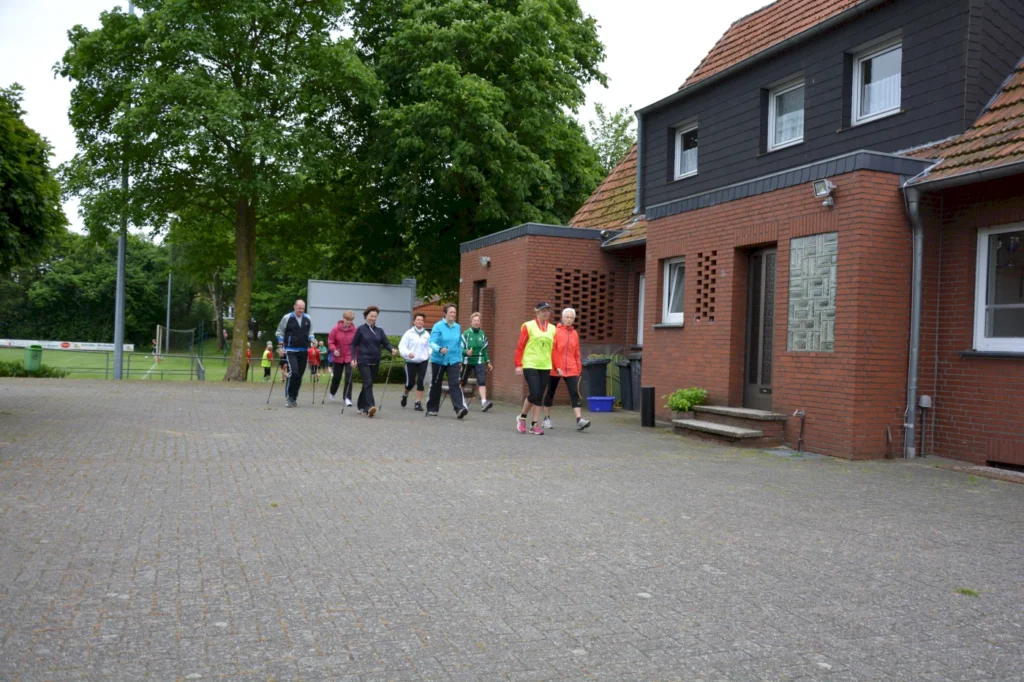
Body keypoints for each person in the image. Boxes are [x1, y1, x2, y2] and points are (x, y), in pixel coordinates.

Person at [542, 308, 591, 431]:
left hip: (571, 368)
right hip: (555, 368)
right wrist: (554, 365)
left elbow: (577, 352)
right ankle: (546, 418)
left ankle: (579, 420)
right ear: (562, 318)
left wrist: (578, 367)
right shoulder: (555, 331)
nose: (569, 320)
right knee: (550, 392)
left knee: (574, 393)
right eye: (567, 317)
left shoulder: (575, 333)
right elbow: (552, 350)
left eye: (571, 318)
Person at [514, 302, 556, 435]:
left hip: (545, 365)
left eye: (548, 311)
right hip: (530, 363)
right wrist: (518, 365)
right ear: (537, 312)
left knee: (540, 395)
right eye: (543, 311)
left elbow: (554, 350)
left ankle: (534, 425)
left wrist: (557, 366)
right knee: (535, 392)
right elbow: (520, 346)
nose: (546, 313)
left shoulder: (553, 329)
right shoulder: (528, 326)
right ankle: (522, 417)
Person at [350, 305, 397, 417]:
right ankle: (370, 406)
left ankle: (361, 406)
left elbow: (386, 343)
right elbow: (353, 344)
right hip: (363, 360)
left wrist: (392, 349)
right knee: (368, 383)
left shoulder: (379, 330)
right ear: (366, 316)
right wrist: (353, 358)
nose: (373, 318)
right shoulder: (361, 329)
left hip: (375, 361)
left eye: (375, 316)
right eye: (371, 316)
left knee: (368, 384)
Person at [425, 304, 469, 419]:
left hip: (453, 360)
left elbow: (459, 345)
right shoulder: (438, 326)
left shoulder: (457, 327)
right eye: (451, 312)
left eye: (454, 312)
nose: (453, 314)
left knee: (454, 383)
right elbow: (432, 342)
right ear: (445, 313)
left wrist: (460, 360)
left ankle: (459, 408)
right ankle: (432, 408)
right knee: (436, 383)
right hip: (438, 360)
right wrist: (440, 349)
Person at [275, 299, 315, 407]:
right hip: (290, 350)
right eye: (299, 308)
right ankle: (289, 397)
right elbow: (280, 332)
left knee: (299, 376)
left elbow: (311, 332)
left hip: (303, 350)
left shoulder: (308, 318)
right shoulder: (287, 318)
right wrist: (281, 345)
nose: (301, 310)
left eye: (303, 308)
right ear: (294, 307)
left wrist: (312, 339)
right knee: (294, 372)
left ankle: (294, 397)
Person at [398, 313, 431, 411]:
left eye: (421, 320)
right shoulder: (409, 333)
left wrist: (428, 355)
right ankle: (405, 394)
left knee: (421, 381)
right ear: (414, 321)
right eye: (418, 319)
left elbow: (430, 347)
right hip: (410, 361)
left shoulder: (426, 334)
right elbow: (402, 346)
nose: (420, 321)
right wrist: (408, 353)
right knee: (410, 383)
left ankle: (418, 403)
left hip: (423, 361)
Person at [462, 312, 494, 412]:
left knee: (482, 380)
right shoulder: (466, 334)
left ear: (480, 322)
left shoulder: (483, 334)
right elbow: (460, 348)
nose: (476, 322)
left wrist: (488, 362)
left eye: (478, 321)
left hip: (479, 360)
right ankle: (461, 402)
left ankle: (484, 402)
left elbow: (484, 350)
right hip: (467, 360)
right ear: (471, 322)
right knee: (463, 381)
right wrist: (466, 352)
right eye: (474, 321)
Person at [328, 311, 357, 405]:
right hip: (338, 356)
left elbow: (357, 345)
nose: (349, 321)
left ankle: (347, 398)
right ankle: (332, 392)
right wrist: (334, 350)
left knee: (349, 376)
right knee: (337, 377)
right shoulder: (335, 329)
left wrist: (355, 358)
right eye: (347, 319)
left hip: (349, 356)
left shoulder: (355, 330)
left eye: (351, 320)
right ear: (343, 318)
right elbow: (330, 341)